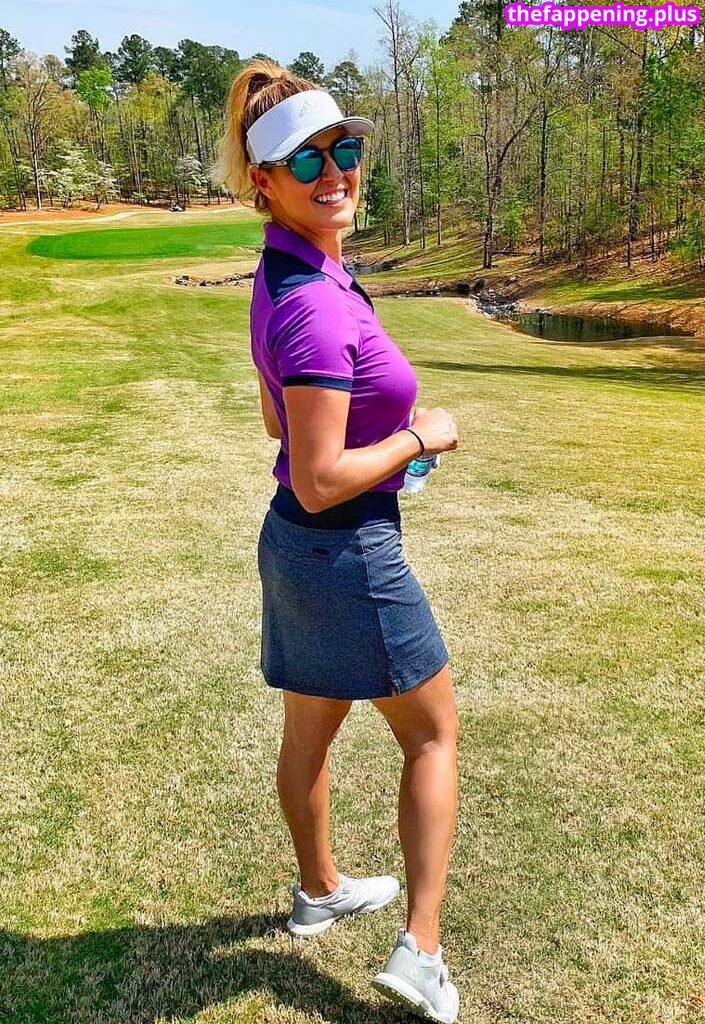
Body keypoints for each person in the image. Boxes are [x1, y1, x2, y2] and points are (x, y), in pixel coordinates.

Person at [213, 60, 461, 1024]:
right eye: (305, 159)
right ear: (263, 180)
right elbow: (319, 475)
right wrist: (417, 439)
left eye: (344, 148)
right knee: (431, 734)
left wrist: (373, 441)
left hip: (296, 545)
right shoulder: (315, 300)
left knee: (308, 732)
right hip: (346, 546)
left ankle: (319, 891)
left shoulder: (294, 267)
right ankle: (421, 952)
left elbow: (278, 426)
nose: (335, 171)